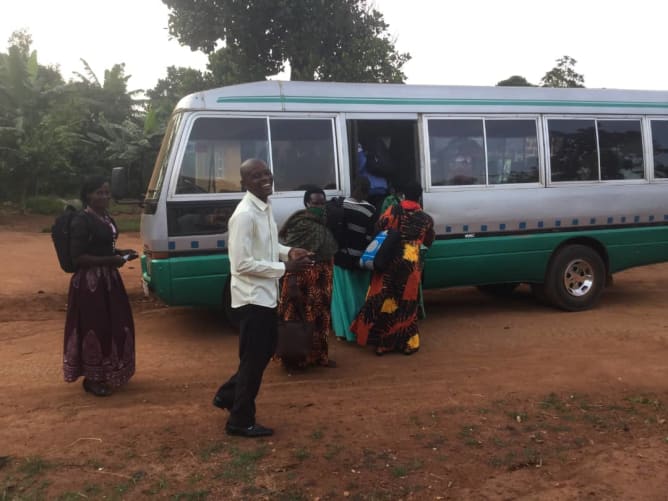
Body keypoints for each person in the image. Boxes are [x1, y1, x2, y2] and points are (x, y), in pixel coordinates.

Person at [212, 158, 313, 438]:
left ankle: (227, 395)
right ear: (244, 183)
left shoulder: (264, 207)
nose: (264, 178)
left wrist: (288, 251)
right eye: (256, 176)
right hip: (251, 298)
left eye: (266, 172)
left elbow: (268, 247)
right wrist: (285, 268)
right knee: (254, 360)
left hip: (265, 296)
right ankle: (240, 421)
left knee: (262, 352)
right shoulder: (245, 214)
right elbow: (241, 263)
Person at [63, 176, 137, 397]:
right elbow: (78, 258)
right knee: (94, 328)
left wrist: (121, 253)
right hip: (90, 284)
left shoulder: (105, 217)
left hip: (109, 281)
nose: (104, 196)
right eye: (99, 192)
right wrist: (110, 261)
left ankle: (109, 370)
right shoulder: (82, 220)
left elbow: (103, 247)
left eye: (106, 192)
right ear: (87, 195)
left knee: (114, 324)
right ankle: (92, 378)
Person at [350, 182, 435, 355]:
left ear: (403, 196)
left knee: (386, 301)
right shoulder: (426, 219)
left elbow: (379, 227)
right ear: (419, 197)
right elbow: (428, 241)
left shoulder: (393, 211)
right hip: (411, 264)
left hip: (389, 261)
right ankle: (409, 343)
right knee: (407, 303)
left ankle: (384, 344)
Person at [276, 186, 339, 369]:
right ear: (306, 203)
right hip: (303, 277)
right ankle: (295, 358)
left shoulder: (326, 221)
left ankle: (319, 356)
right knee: (299, 317)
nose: (319, 206)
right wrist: (293, 280)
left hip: (322, 278)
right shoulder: (300, 223)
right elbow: (290, 251)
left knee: (321, 317)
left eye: (322, 203)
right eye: (315, 203)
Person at [330, 176, 376, 343]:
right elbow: (370, 237)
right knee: (360, 295)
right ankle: (359, 329)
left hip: (340, 257)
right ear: (367, 190)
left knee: (341, 295)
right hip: (360, 259)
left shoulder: (339, 205)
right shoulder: (371, 210)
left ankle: (343, 331)